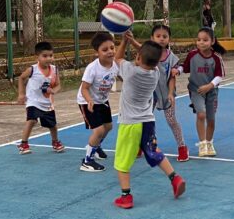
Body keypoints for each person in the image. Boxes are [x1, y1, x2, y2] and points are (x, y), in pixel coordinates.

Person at [113, 35, 185, 209]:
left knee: (121, 161)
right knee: (152, 150)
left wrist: (125, 41)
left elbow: (117, 58)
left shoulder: (130, 71)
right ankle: (174, 177)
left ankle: (126, 196)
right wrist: (138, 45)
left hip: (130, 123)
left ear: (138, 57)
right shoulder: (156, 72)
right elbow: (150, 56)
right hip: (148, 121)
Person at [126, 24, 190, 162]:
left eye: (165, 36)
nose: (161, 39)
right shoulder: (149, 54)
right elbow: (141, 48)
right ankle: (141, 145)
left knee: (172, 121)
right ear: (152, 38)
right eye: (158, 36)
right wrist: (131, 40)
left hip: (167, 93)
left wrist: (171, 93)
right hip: (150, 94)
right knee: (143, 120)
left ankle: (182, 147)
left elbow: (172, 77)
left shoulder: (171, 57)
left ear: (169, 39)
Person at [178, 27, 226, 157]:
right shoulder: (192, 55)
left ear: (212, 41)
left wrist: (210, 85)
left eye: (205, 40)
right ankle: (202, 143)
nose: (201, 42)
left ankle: (209, 142)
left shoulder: (216, 58)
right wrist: (178, 70)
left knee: (211, 120)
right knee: (201, 115)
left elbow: (220, 76)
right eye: (199, 40)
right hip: (196, 90)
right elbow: (185, 67)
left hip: (211, 92)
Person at [77, 32, 119, 172]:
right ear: (97, 52)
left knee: (108, 127)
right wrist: (89, 101)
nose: (110, 51)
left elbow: (123, 78)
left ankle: (96, 146)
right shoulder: (92, 68)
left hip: (102, 100)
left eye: (112, 48)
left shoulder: (115, 65)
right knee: (99, 130)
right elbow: (84, 89)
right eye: (105, 49)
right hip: (87, 101)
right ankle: (87, 161)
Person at [16, 41, 65, 155]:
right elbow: (21, 78)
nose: (48, 58)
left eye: (50, 55)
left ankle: (55, 142)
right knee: (31, 120)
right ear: (37, 57)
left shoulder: (54, 70)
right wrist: (21, 94)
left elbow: (58, 85)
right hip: (33, 101)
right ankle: (24, 143)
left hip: (46, 103)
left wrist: (53, 90)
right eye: (45, 56)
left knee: (52, 125)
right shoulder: (32, 69)